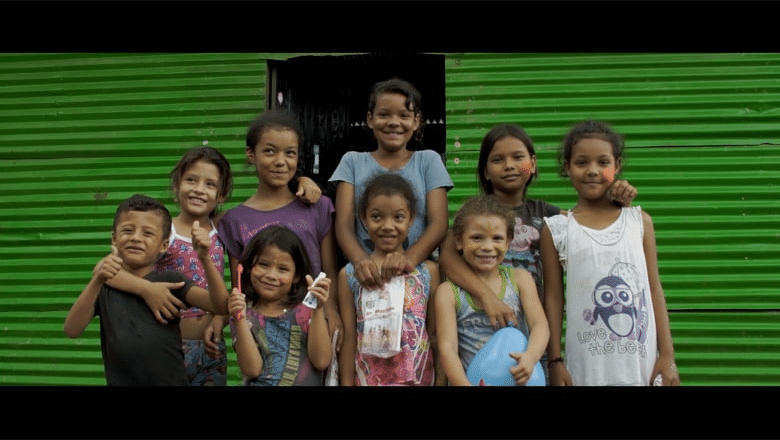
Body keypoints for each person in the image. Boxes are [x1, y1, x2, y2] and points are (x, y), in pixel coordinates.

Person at [437, 124, 637, 380]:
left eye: (518, 157)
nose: (509, 165)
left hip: (530, 337)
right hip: (474, 336)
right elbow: (447, 257)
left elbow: (590, 226)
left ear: (532, 164)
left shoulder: (548, 215)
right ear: (485, 170)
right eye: (498, 159)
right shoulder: (474, 215)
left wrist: (616, 201)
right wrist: (488, 298)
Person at [540, 119, 679, 386]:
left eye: (603, 162)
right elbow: (554, 298)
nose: (593, 170)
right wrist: (554, 361)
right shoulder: (557, 229)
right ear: (567, 167)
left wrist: (667, 355)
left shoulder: (639, 222)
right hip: (586, 368)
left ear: (617, 166)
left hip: (641, 368)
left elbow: (653, 288)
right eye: (581, 162)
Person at [64, 194, 230, 386]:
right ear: (114, 238)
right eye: (128, 230)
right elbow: (72, 330)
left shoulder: (170, 281)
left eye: (148, 233)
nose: (136, 238)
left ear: (164, 245)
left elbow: (220, 306)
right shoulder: (105, 286)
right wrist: (98, 280)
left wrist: (205, 259)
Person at [217, 110, 341, 354]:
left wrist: (333, 312)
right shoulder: (235, 220)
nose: (280, 161)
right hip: (263, 336)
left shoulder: (317, 207)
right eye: (270, 151)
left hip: (315, 330)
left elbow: (328, 272)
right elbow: (240, 287)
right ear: (250, 154)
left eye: (290, 153)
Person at [329, 78, 453, 291]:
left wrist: (409, 258)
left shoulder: (428, 161)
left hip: (416, 276)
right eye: (384, 114)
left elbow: (439, 223)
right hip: (365, 277)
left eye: (404, 115)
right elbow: (343, 224)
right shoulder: (352, 162)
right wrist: (360, 261)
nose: (394, 122)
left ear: (416, 121)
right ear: (370, 119)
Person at [337, 173, 441, 386]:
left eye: (398, 217)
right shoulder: (350, 275)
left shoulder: (427, 272)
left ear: (411, 219)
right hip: (369, 380)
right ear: (364, 218)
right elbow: (349, 338)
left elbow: (435, 333)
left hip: (419, 379)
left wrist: (440, 381)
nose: (387, 226)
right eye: (377, 217)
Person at [435, 195, 549, 386]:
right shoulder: (448, 292)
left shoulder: (520, 279)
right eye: (476, 238)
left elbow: (539, 325)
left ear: (508, 242)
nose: (487, 247)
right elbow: (448, 348)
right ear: (459, 241)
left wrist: (530, 357)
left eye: (497, 238)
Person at [152, 146, 233, 386]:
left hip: (212, 350)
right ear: (176, 185)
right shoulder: (164, 230)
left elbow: (262, 205)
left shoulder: (222, 228)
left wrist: (221, 318)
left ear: (221, 195)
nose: (199, 189)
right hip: (169, 347)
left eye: (210, 184)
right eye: (191, 180)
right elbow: (125, 273)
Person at [227, 225, 332, 385]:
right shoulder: (242, 312)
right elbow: (252, 369)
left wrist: (318, 309)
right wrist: (239, 319)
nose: (271, 275)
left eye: (282, 269)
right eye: (263, 264)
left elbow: (321, 361)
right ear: (248, 267)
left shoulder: (307, 310)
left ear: (297, 275)